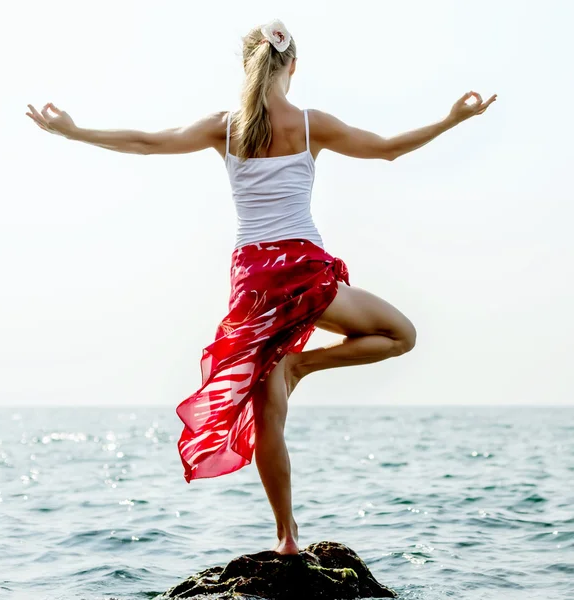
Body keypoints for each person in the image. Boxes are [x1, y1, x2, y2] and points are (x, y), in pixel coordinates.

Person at [26, 18, 497, 557]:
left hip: (252, 281)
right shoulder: (310, 125)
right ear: (292, 66)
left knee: (270, 412)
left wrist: (73, 131)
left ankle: (286, 536)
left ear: (246, 65)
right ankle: (302, 365)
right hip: (301, 269)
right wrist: (452, 120)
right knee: (402, 335)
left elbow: (145, 143)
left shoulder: (224, 127)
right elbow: (387, 149)